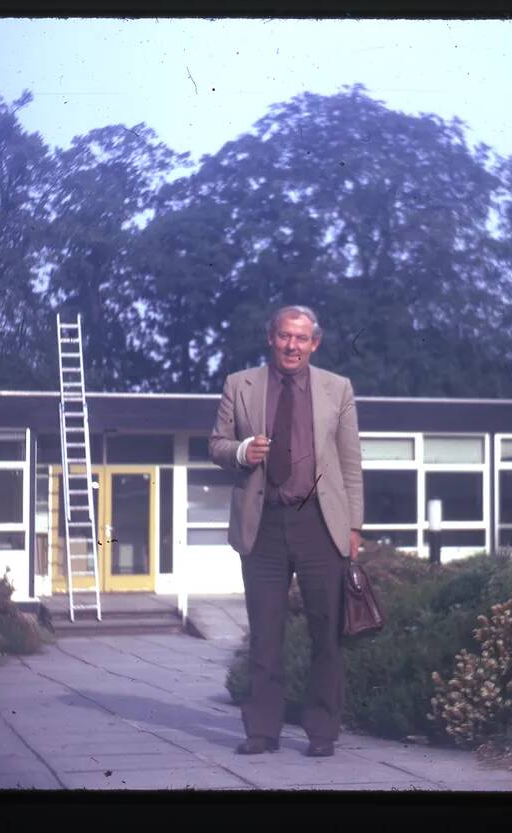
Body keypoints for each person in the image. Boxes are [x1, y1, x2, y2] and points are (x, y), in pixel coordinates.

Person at [209, 304, 364, 758]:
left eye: (301, 338)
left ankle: (321, 732)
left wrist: (354, 526)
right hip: (264, 525)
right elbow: (216, 445)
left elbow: (351, 463)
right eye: (284, 337)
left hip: (321, 523)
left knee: (326, 632)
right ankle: (262, 730)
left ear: (314, 343)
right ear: (270, 338)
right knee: (265, 633)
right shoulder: (240, 385)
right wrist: (241, 452)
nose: (291, 346)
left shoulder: (338, 389)